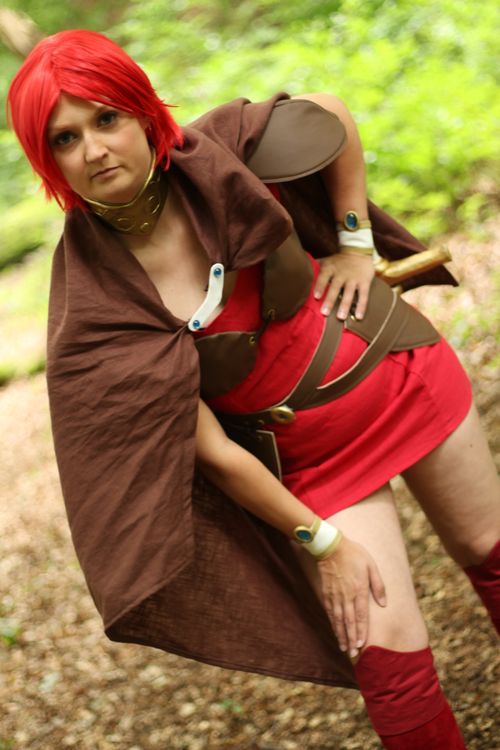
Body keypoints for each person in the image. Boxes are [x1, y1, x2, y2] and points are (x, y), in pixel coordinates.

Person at [7, 29, 499, 750]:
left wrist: (355, 240)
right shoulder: (93, 305)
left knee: (492, 554)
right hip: (315, 465)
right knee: (392, 668)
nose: (95, 149)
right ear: (47, 158)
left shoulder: (220, 152)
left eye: (106, 118)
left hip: (400, 371)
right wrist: (322, 541)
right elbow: (208, 450)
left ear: (141, 111)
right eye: (65, 138)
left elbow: (331, 114)